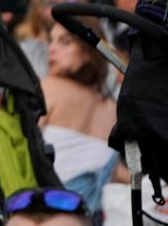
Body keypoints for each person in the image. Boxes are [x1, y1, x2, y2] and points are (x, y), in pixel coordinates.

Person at [40, 21, 121, 211]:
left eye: (64, 42)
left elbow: (19, 149)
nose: (52, 49)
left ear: (87, 52)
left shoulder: (49, 87)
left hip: (44, 213)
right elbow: (113, 175)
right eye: (50, 41)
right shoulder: (114, 110)